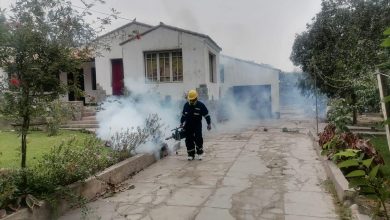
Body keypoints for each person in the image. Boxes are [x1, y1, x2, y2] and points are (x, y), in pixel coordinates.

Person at [180, 89, 211, 160]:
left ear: (196, 98)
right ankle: (191, 154)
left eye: (193, 100)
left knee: (198, 138)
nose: (191, 101)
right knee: (189, 140)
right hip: (188, 126)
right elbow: (183, 116)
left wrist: (208, 124)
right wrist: (181, 123)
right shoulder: (186, 105)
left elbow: (206, 115)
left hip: (197, 125)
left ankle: (200, 153)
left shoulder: (201, 105)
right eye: (190, 100)